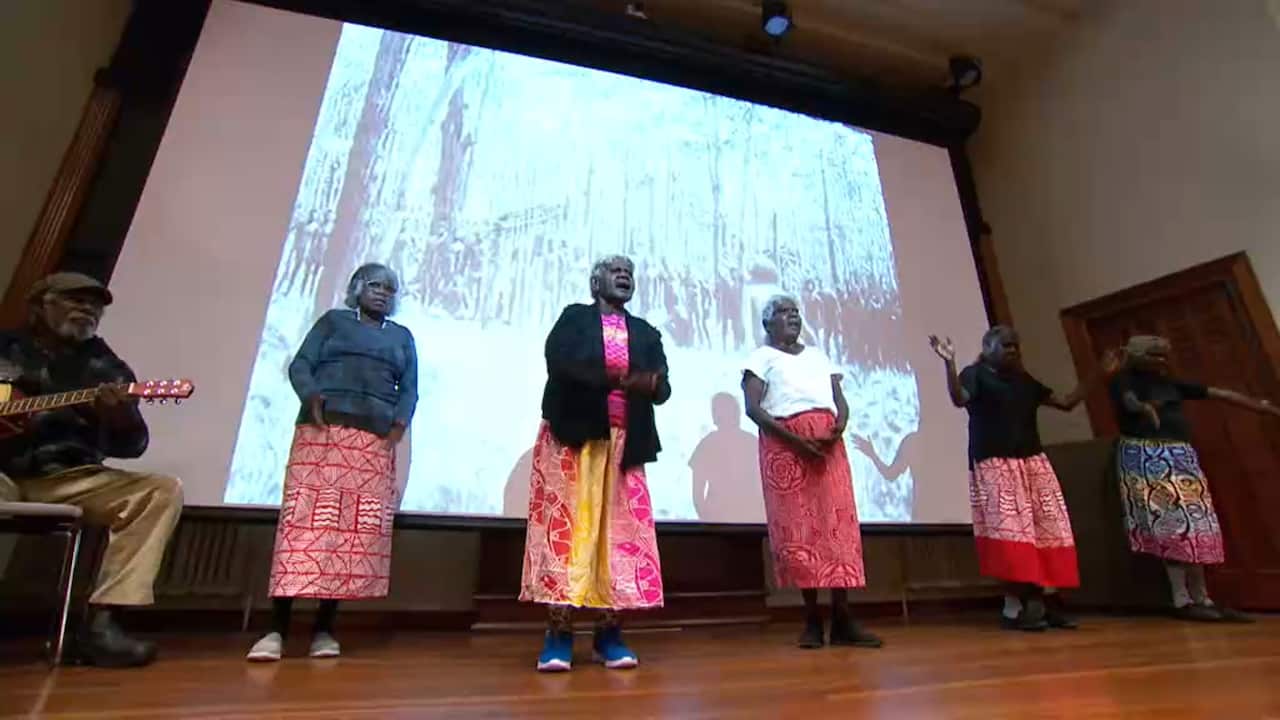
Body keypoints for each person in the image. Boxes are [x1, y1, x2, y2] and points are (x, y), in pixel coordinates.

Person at [0, 272, 183, 667]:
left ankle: (104, 623)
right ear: (39, 306)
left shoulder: (108, 368)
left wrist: (118, 418)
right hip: (4, 473)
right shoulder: (4, 348)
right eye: (73, 300)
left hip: (69, 478)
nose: (87, 309)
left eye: (94, 304)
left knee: (159, 490)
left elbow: (133, 445)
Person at [247, 263, 417, 662]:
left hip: (370, 445)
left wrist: (397, 426)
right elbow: (300, 365)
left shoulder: (401, 337)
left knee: (347, 536)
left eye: (391, 289)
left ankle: (325, 627)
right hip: (321, 436)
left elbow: (410, 388)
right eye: (375, 285)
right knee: (304, 527)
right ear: (356, 288)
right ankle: (276, 628)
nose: (383, 294)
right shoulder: (333, 322)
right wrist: (311, 395)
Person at [520, 255, 670, 672]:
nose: (624, 276)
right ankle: (559, 634)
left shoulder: (645, 331)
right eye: (614, 271)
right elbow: (560, 362)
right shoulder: (574, 319)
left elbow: (662, 386)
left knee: (617, 541)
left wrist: (650, 383)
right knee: (568, 537)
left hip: (626, 446)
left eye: (629, 273)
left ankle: (609, 634)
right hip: (574, 441)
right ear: (595, 282)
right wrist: (623, 380)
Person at [931, 326, 1121, 631]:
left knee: (1046, 533)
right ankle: (1014, 607)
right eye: (1006, 345)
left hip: (1032, 463)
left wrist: (1099, 373)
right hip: (995, 465)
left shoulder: (1024, 380)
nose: (1013, 350)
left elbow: (1067, 402)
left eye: (1016, 346)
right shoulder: (975, 374)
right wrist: (949, 363)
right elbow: (959, 398)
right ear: (988, 346)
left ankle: (1047, 602)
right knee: (1011, 537)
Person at [742, 295, 882, 649]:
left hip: (827, 444)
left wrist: (840, 425)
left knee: (836, 527)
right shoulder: (760, 358)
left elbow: (840, 399)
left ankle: (843, 618)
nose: (792, 317)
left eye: (795, 312)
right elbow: (754, 409)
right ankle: (811, 620)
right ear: (767, 323)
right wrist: (796, 441)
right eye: (783, 313)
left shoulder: (819, 356)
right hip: (785, 445)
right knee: (800, 532)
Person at [1110, 335, 1279, 623]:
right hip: (1147, 457)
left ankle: (1203, 597)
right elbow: (1128, 400)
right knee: (1170, 526)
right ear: (1138, 356)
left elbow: (1218, 393)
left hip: (1181, 457)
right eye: (1155, 355)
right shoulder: (1125, 380)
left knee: (1196, 524)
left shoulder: (1172, 384)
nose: (1162, 361)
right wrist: (1142, 407)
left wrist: (1259, 405)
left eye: (1164, 356)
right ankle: (1182, 599)